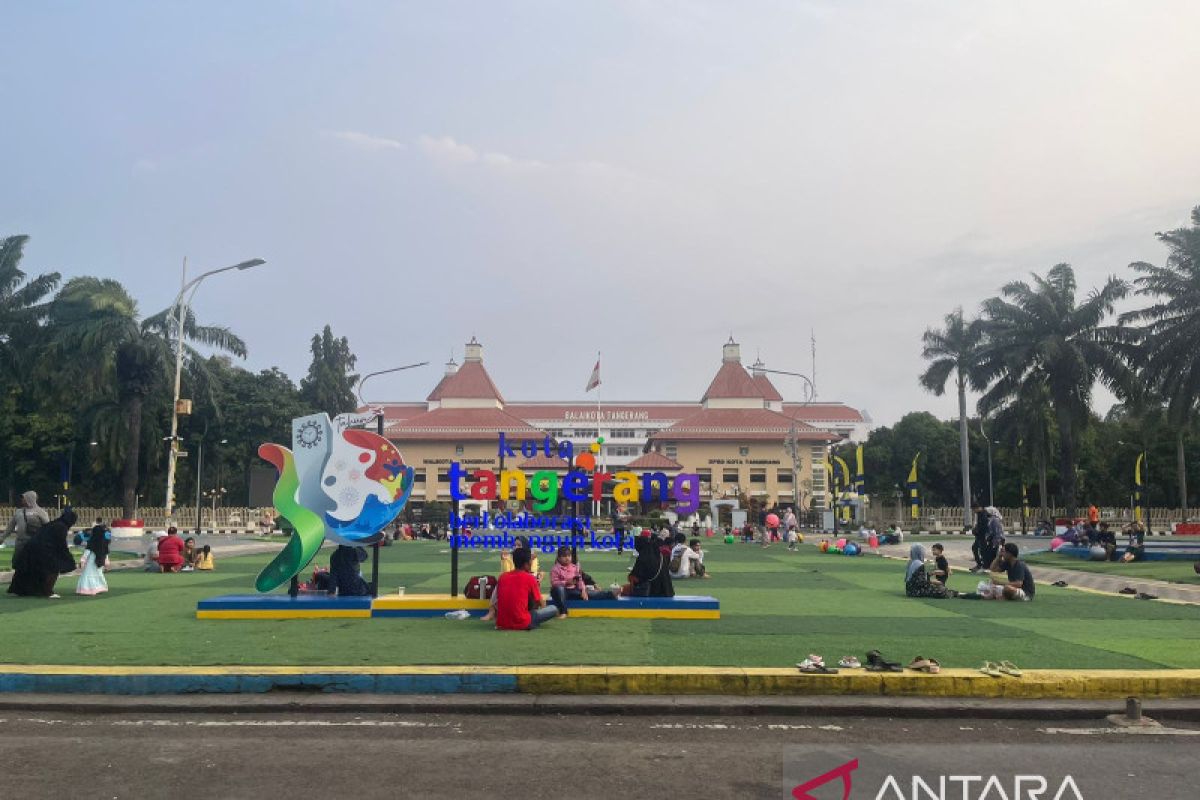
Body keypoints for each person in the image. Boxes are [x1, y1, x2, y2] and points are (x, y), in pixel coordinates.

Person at [8, 509, 78, 598]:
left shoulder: (54, 523)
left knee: (32, 570)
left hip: (32, 548)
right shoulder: (61, 527)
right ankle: (48, 591)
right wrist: (68, 558)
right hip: (42, 549)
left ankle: (24, 590)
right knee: (53, 568)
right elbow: (60, 544)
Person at [493, 547, 560, 630]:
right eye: (530, 561)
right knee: (553, 609)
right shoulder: (529, 578)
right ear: (526, 564)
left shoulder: (502, 577)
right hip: (523, 622)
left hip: (502, 623)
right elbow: (540, 602)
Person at [548, 546, 619, 615]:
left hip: (572, 590)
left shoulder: (574, 567)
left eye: (569, 556)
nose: (567, 558)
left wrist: (583, 590)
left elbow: (580, 580)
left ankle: (611, 594)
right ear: (559, 558)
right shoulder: (555, 569)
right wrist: (566, 582)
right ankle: (563, 612)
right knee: (560, 589)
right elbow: (554, 583)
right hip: (559, 592)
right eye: (564, 556)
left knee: (590, 594)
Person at [0, 491, 50, 557]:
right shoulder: (18, 512)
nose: (22, 499)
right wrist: (2, 538)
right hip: (20, 543)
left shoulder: (41, 512)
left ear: (30, 498)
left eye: (24, 498)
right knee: (18, 563)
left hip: (35, 543)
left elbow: (48, 527)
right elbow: (10, 527)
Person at [624, 532, 674, 597]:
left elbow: (636, 578)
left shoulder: (643, 557)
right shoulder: (658, 554)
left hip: (650, 592)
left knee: (624, 590)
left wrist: (631, 576)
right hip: (666, 591)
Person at [75, 517, 111, 596]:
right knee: (98, 573)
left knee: (88, 573)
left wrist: (83, 560)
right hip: (100, 559)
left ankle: (87, 589)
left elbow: (87, 551)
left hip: (92, 559)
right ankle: (100, 588)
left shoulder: (92, 541)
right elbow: (106, 552)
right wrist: (107, 560)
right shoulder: (103, 542)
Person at [969, 503, 988, 572]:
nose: (974, 511)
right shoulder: (979, 514)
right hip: (979, 536)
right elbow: (978, 524)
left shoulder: (984, 514)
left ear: (977, 508)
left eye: (974, 509)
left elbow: (984, 526)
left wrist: (977, 530)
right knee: (975, 548)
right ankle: (979, 564)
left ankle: (983, 566)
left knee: (983, 551)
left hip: (983, 536)